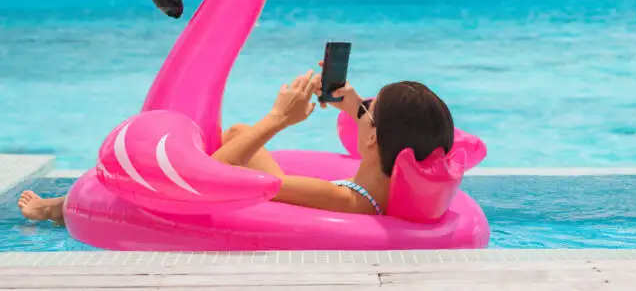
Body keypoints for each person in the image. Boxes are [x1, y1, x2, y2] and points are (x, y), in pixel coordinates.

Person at [18, 62, 455, 223]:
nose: (364, 111)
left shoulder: (344, 199)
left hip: (220, 207)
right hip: (342, 179)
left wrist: (279, 119)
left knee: (241, 139)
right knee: (236, 133)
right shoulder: (384, 184)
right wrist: (356, 105)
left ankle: (58, 209)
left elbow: (209, 178)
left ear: (375, 137)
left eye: (370, 111)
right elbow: (382, 134)